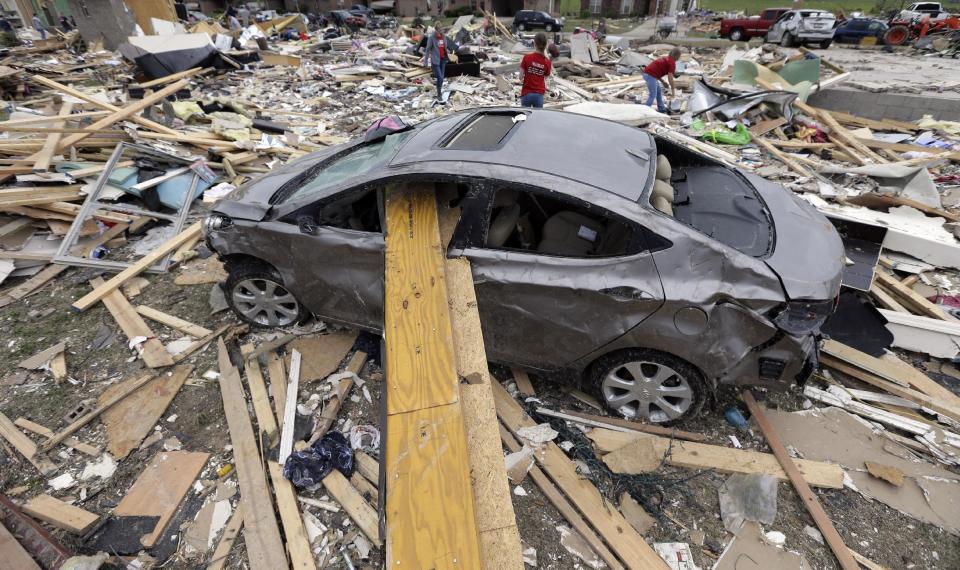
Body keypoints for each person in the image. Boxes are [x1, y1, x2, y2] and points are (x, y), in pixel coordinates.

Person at [642, 46, 680, 114]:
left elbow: (656, 71)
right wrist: (673, 91)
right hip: (650, 75)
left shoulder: (666, 58)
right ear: (677, 56)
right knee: (653, 94)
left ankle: (661, 109)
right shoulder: (672, 63)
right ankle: (645, 111)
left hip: (649, 73)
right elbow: (670, 77)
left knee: (658, 92)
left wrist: (663, 81)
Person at [423, 26, 456, 103]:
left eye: (441, 31)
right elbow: (427, 50)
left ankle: (439, 91)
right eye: (439, 31)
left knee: (441, 78)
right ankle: (439, 94)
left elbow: (445, 47)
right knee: (440, 78)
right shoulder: (431, 38)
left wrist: (449, 54)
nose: (440, 33)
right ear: (436, 30)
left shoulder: (443, 36)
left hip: (443, 59)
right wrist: (425, 61)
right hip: (435, 60)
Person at [519, 32, 551, 108]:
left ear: (534, 43)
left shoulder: (527, 57)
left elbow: (520, 77)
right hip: (539, 94)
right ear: (545, 45)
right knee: (538, 118)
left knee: (525, 118)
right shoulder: (547, 61)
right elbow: (545, 77)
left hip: (526, 93)